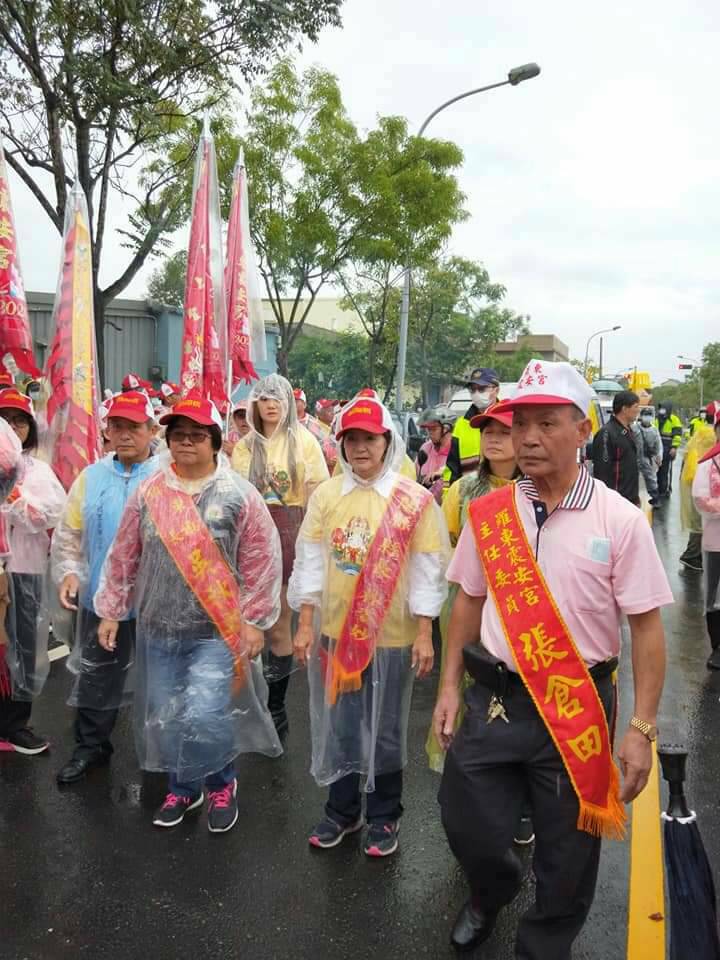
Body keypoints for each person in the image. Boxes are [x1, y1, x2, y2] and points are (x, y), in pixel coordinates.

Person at [434, 359, 672, 958]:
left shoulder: (620, 520)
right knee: (468, 821)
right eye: (520, 426)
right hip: (495, 697)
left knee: (568, 857)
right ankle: (493, 887)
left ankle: (542, 945)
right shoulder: (489, 514)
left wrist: (641, 727)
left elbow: (646, 630)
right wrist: (447, 687)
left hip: (578, 702)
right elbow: (466, 601)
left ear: (583, 428)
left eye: (546, 423)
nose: (529, 438)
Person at [94, 394, 283, 831]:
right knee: (167, 710)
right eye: (178, 435)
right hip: (159, 628)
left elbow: (262, 559)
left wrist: (255, 621)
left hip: (215, 631)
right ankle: (184, 787)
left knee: (204, 711)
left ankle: (221, 782)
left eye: (197, 435)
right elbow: (124, 554)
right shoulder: (151, 492)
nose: (185, 443)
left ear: (215, 441)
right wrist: (111, 609)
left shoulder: (238, 494)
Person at [289, 394, 448, 857]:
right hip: (337, 634)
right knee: (342, 725)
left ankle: (383, 816)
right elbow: (311, 563)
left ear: (388, 441)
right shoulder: (326, 495)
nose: (361, 447)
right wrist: (304, 622)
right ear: (341, 444)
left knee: (385, 730)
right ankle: (342, 811)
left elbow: (427, 569)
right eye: (351, 439)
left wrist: (424, 632)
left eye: (370, 438)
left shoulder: (412, 500)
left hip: (393, 637)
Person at [52, 391, 159, 785]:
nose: (126, 434)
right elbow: (69, 533)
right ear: (107, 431)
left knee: (159, 680)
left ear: (151, 430)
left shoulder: (166, 478)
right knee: (96, 676)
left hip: (155, 603)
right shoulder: (91, 477)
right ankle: (91, 748)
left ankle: (162, 758)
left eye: (135, 426)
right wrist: (69, 572)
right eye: (117, 426)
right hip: (102, 598)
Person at [232, 374, 329, 736]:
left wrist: (310, 544)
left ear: (289, 403)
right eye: (264, 397)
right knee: (247, 619)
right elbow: (237, 499)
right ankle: (246, 699)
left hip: (291, 530)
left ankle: (276, 706)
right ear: (254, 404)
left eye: (278, 397)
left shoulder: (305, 442)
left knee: (278, 625)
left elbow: (317, 497)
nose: (271, 404)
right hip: (252, 535)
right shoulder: (244, 447)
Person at [426, 400, 521, 770]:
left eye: (503, 432)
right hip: (467, 602)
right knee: (464, 678)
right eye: (488, 433)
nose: (493, 440)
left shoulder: (533, 492)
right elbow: (446, 542)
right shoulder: (463, 490)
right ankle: (461, 756)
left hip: (517, 603)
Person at [0, 391, 65, 754]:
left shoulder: (38, 470)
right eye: (4, 420)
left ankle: (15, 723)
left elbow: (50, 513)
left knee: (23, 646)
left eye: (19, 421)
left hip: (24, 569)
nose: (12, 427)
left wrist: (15, 498)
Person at [692, 410, 720, 669]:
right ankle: (717, 647)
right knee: (713, 596)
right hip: (715, 540)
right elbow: (700, 498)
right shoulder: (708, 463)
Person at [444, 368, 500, 486]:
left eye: (482, 389)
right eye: (472, 390)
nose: (476, 394)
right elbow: (452, 467)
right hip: (468, 497)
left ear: (496, 390)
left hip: (501, 496)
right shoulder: (462, 425)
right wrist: (447, 495)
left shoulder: (507, 421)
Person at [679, 402, 718, 572]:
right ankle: (692, 556)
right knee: (704, 521)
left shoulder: (701, 430)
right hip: (703, 481)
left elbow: (687, 452)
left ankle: (695, 555)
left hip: (691, 477)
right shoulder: (710, 434)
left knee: (700, 520)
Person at [591, 390, 641, 506]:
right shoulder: (607, 433)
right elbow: (602, 473)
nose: (638, 410)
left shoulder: (629, 431)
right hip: (616, 502)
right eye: (635, 406)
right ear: (624, 408)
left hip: (630, 499)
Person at [416, 408, 454, 504]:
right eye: (428, 429)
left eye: (434, 429)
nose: (430, 433)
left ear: (446, 428)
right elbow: (415, 477)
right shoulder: (426, 448)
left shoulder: (458, 450)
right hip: (424, 506)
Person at [296, 389, 338, 473]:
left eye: (332, 410)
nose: (332, 413)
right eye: (328, 410)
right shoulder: (283, 423)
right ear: (319, 413)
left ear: (304, 404)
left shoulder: (314, 425)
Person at [633, 407, 662, 506]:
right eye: (645, 415)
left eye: (649, 415)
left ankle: (655, 499)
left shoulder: (654, 430)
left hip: (647, 458)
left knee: (651, 478)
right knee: (632, 478)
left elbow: (658, 445)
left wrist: (658, 456)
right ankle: (633, 498)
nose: (647, 417)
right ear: (641, 416)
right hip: (634, 457)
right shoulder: (634, 428)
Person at [655, 401, 683, 497]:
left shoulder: (674, 419)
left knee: (666, 470)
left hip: (668, 447)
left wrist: (674, 447)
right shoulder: (657, 418)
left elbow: (678, 435)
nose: (662, 410)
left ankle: (666, 489)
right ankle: (658, 489)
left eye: (663, 408)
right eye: (660, 408)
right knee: (657, 470)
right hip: (658, 447)